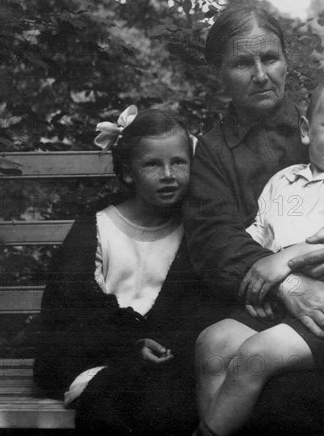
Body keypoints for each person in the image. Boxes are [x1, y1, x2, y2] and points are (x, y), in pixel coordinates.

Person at [184, 4, 324, 435]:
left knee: (321, 390)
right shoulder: (216, 152)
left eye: (269, 58)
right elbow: (215, 243)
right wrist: (289, 282)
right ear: (219, 72)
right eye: (241, 62)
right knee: (220, 351)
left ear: (286, 61)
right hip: (269, 306)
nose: (260, 74)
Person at [34, 107, 205, 434]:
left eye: (179, 162)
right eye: (153, 164)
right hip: (102, 356)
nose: (168, 174)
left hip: (168, 364)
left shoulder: (196, 231)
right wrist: (130, 344)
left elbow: (197, 308)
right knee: (116, 398)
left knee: (172, 402)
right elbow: (71, 310)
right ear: (128, 173)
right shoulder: (98, 227)